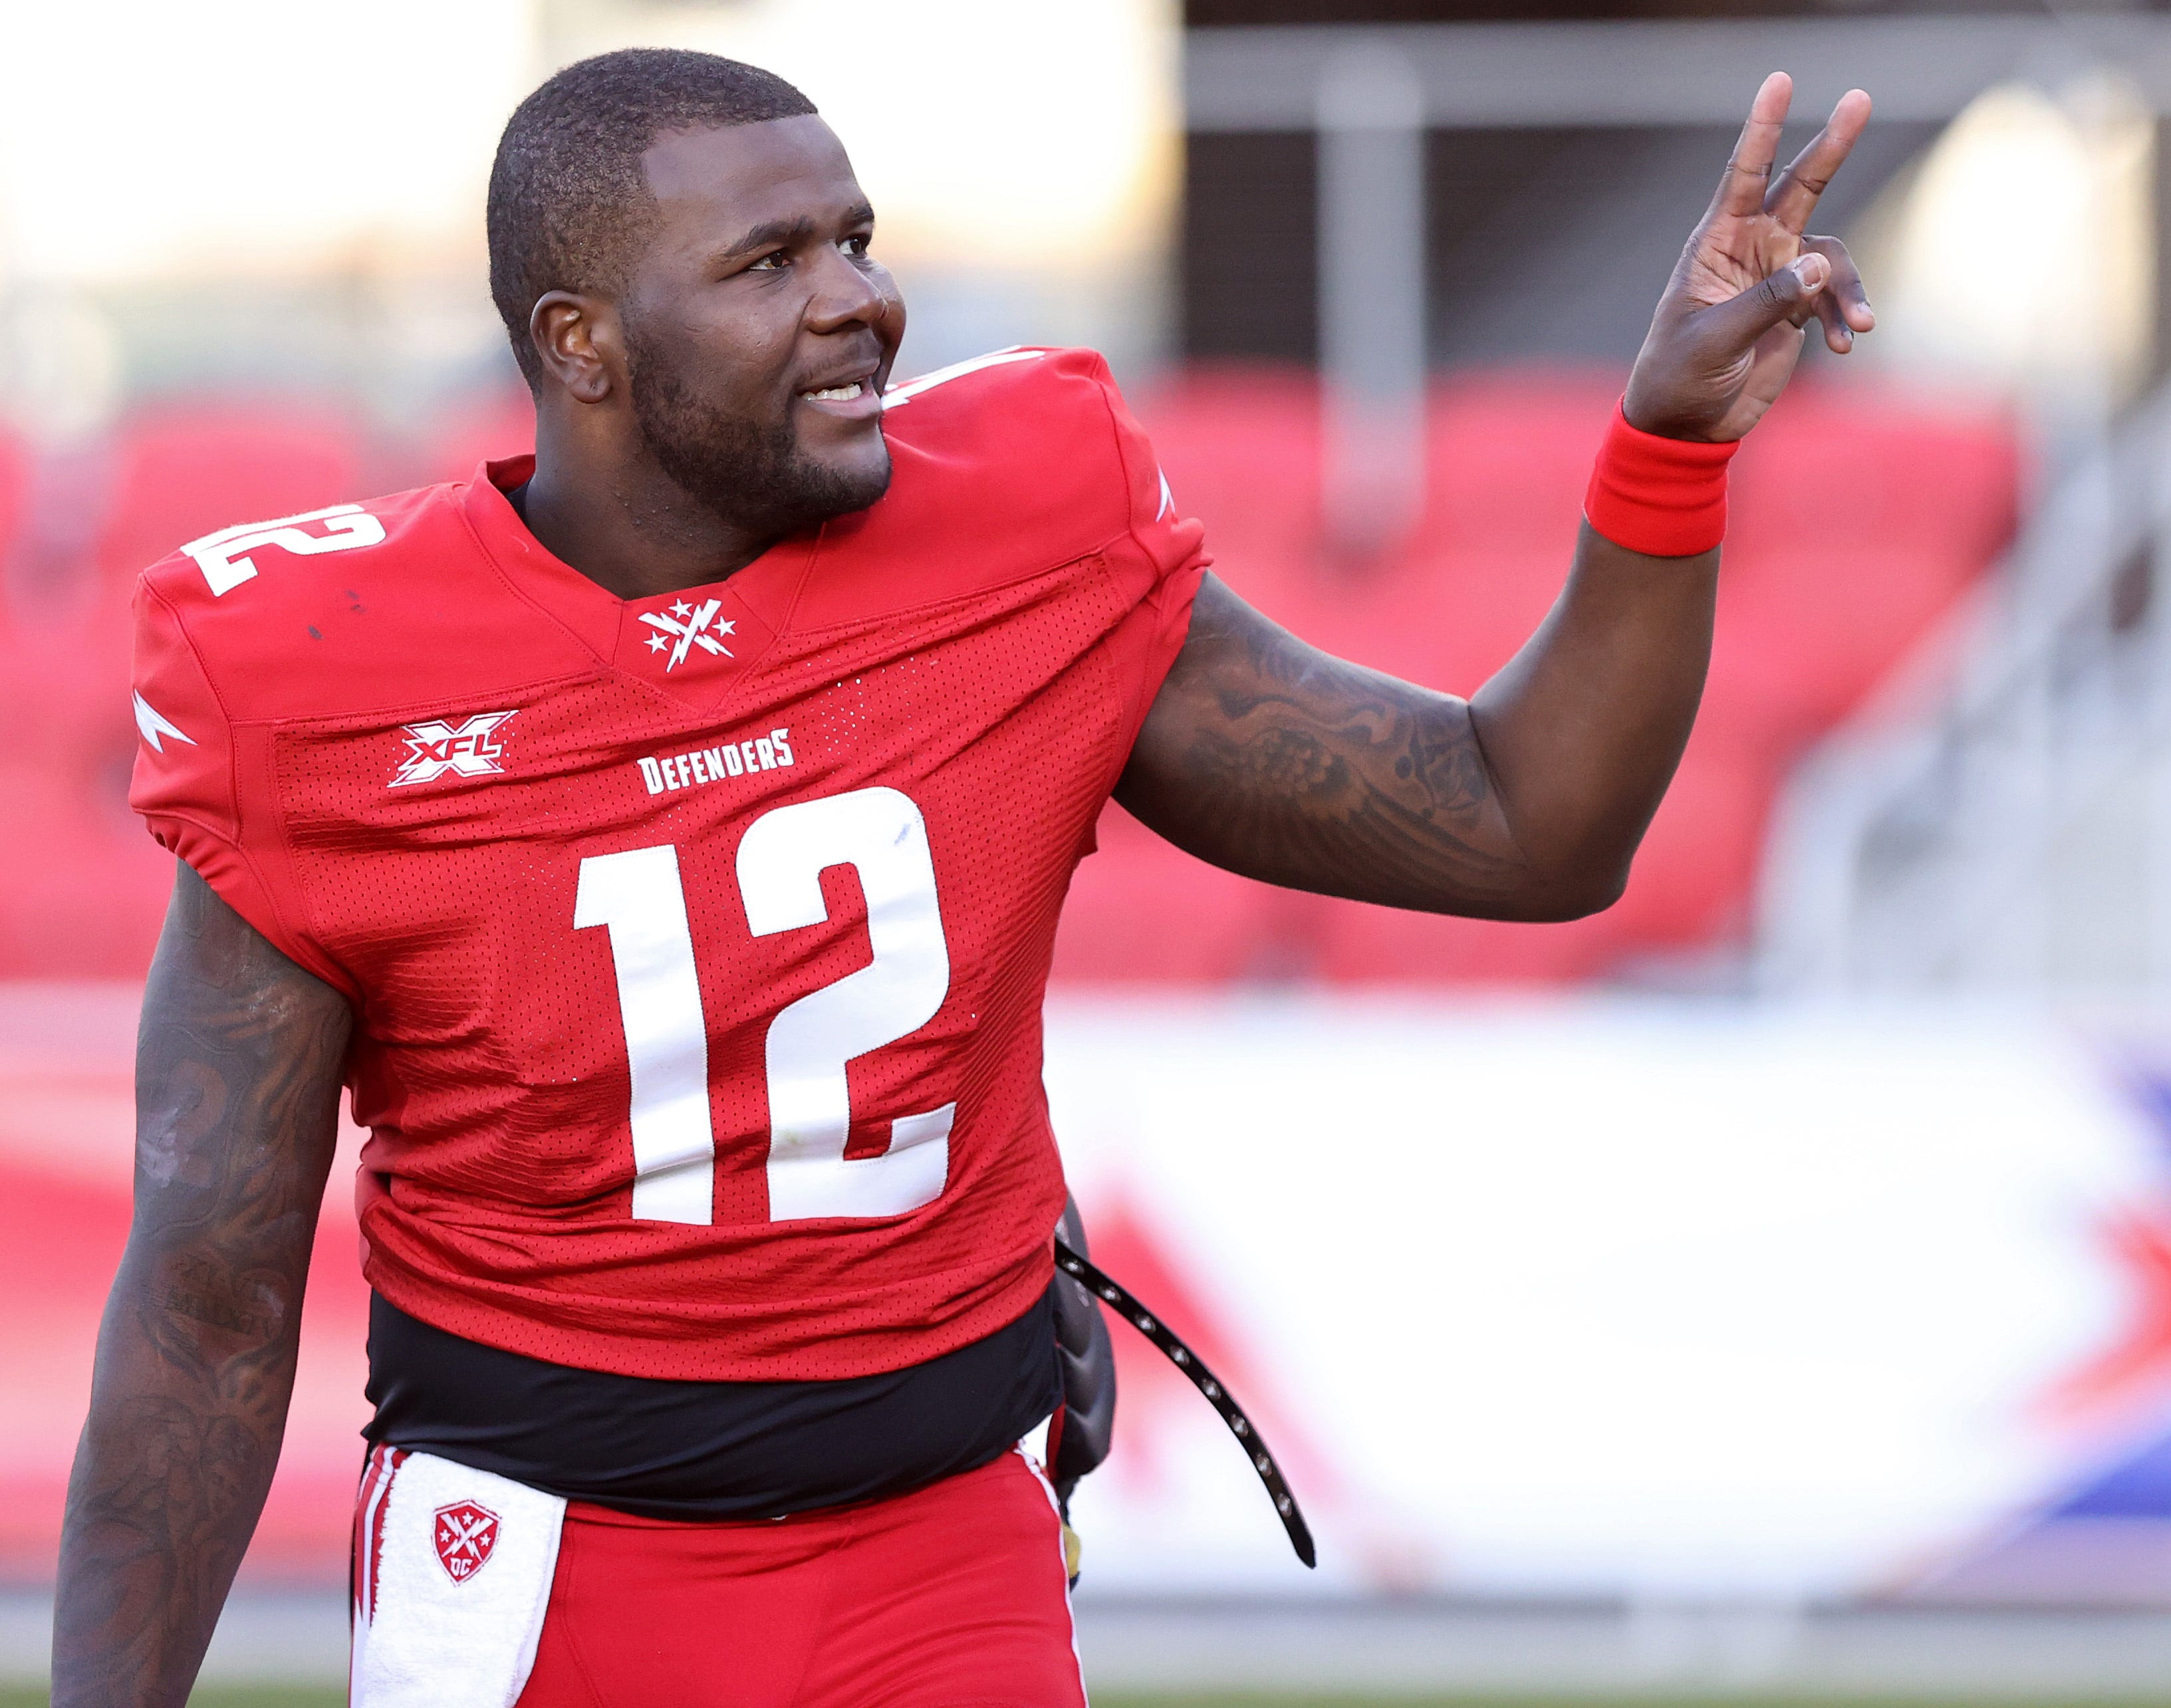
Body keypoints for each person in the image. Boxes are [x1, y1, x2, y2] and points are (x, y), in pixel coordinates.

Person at [51, 45, 1874, 1708]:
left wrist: (1668, 452)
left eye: (854, 239)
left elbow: (1524, 819)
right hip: (540, 1564)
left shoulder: (1019, 535)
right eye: (769, 262)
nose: (858, 298)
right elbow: (213, 1299)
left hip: (942, 1550)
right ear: (581, 342)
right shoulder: (326, 674)